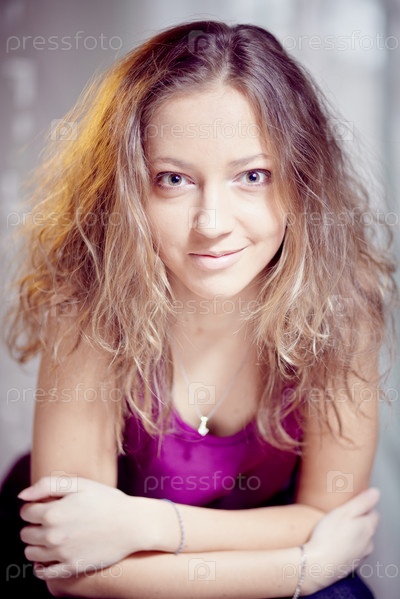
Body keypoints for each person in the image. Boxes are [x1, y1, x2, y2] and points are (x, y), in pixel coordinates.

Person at [2, 19, 397, 599]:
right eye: (173, 179)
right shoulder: (90, 302)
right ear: (128, 190)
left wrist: (149, 523)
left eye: (253, 176)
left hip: (178, 543)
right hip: (123, 567)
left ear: (302, 180)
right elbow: (72, 573)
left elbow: (330, 516)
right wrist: (302, 569)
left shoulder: (343, 303)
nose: (211, 224)